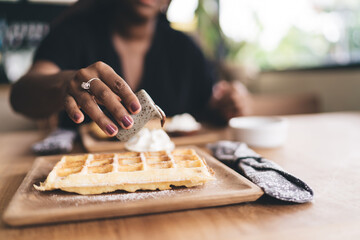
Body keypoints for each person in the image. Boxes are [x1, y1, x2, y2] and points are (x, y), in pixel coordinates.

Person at [10, 0, 250, 138]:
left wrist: (230, 103)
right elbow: (21, 95)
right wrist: (65, 83)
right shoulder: (74, 32)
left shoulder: (185, 49)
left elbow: (209, 105)